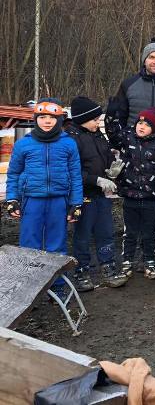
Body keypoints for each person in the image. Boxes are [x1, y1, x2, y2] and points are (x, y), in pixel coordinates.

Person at [4, 100, 83, 301]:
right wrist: (12, 198)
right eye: (42, 117)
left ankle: (56, 286)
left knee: (56, 244)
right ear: (35, 120)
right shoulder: (24, 144)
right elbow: (13, 173)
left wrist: (76, 203)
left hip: (59, 201)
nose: (47, 121)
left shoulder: (68, 143)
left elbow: (75, 175)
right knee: (29, 243)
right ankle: (27, 288)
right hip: (32, 200)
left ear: (59, 120)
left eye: (52, 118)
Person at [66, 96, 129, 291]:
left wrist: (112, 170)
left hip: (102, 194)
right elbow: (72, 170)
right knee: (83, 235)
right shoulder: (72, 139)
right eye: (94, 119)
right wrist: (96, 180)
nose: (97, 122)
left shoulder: (98, 135)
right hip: (83, 195)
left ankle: (108, 266)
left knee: (106, 231)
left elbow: (107, 155)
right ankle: (81, 271)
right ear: (83, 119)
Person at [105, 106, 155, 279]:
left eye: (147, 124)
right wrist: (111, 115)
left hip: (150, 197)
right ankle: (127, 261)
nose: (142, 126)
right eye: (140, 122)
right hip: (130, 194)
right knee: (130, 232)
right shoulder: (127, 137)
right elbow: (112, 134)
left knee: (150, 233)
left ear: (153, 128)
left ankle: (150, 261)